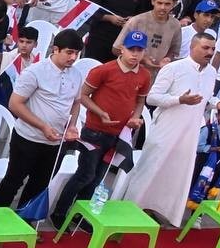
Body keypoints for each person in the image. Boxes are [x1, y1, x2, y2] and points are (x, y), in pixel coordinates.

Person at [57, 31, 156, 217]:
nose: (135, 54)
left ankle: (79, 214)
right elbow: (82, 95)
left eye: (139, 50)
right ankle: (60, 213)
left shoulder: (144, 75)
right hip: (94, 131)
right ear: (122, 49)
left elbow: (140, 100)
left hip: (118, 135)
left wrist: (135, 117)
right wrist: (100, 113)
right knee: (85, 175)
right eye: (131, 49)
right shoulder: (104, 70)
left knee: (97, 178)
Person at [124, 33, 220, 223]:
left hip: (190, 132)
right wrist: (179, 100)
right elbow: (152, 98)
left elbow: (206, 98)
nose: (210, 52)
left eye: (212, 49)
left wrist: (218, 103)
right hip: (166, 129)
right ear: (192, 47)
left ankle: (157, 210)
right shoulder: (174, 68)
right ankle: (129, 211)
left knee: (175, 175)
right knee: (150, 169)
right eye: (205, 48)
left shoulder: (211, 72)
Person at [0, 31, 85, 212]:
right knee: (13, 181)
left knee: (40, 184)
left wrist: (72, 125)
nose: (73, 57)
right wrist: (42, 126)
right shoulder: (35, 71)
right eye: (69, 52)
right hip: (28, 138)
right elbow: (15, 104)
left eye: (76, 53)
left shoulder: (76, 74)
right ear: (56, 49)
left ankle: (24, 220)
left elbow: (76, 102)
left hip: (56, 142)